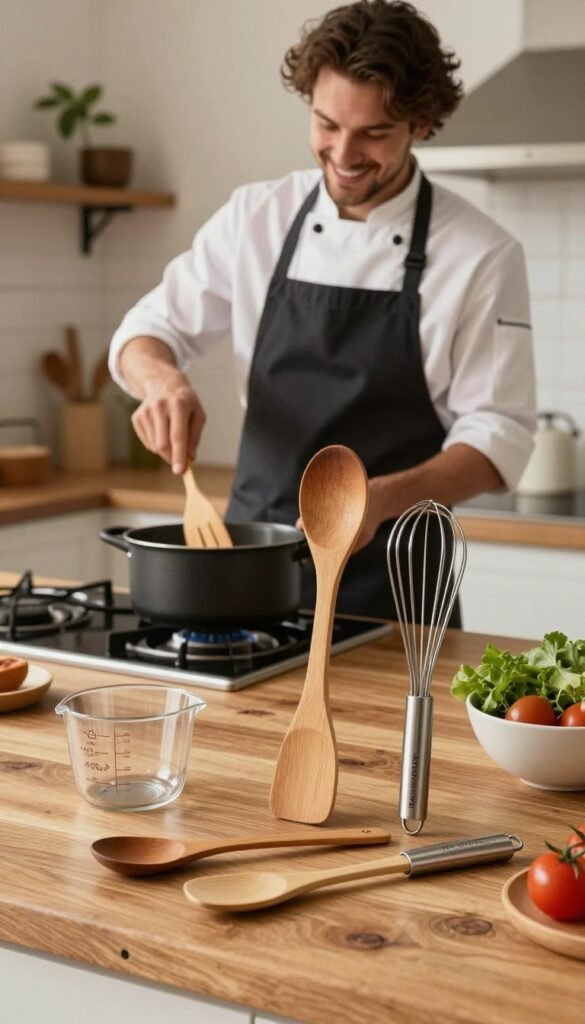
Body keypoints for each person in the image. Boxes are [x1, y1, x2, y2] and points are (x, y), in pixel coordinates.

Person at [109, 0, 536, 624]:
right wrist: (164, 382)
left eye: (373, 133)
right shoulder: (256, 217)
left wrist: (382, 498)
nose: (342, 152)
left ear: (420, 122)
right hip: (249, 573)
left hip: (396, 586)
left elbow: (500, 434)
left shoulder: (480, 255)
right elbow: (146, 333)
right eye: (326, 123)